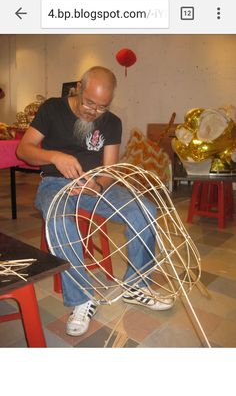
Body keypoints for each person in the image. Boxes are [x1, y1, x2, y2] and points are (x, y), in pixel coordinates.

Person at [17, 66, 174, 337]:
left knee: (145, 209)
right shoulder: (52, 109)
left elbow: (110, 171)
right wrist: (55, 156)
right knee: (60, 220)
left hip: (95, 185)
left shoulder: (111, 122)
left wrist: (97, 185)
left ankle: (136, 286)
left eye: (102, 107)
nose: (93, 112)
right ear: (79, 87)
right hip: (55, 184)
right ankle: (81, 300)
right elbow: (24, 149)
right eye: (89, 103)